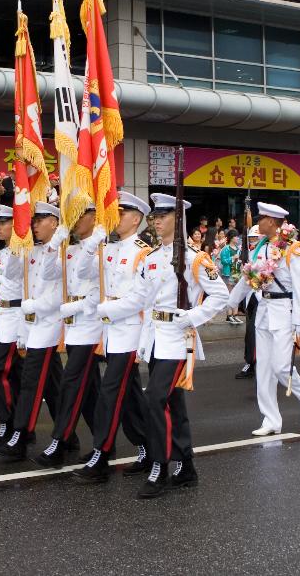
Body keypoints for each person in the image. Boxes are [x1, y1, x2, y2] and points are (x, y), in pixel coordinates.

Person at [126, 192, 229, 498]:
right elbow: (144, 302)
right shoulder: (151, 257)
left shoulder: (196, 258)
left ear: (178, 219)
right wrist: (144, 343)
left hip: (178, 340)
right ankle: (186, 466)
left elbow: (220, 296)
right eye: (154, 217)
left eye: (163, 216)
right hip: (158, 339)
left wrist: (193, 317)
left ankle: (160, 465)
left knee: (155, 399)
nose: (156, 222)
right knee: (172, 403)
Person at [73, 192, 154, 484]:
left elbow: (141, 298)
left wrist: (107, 310)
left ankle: (101, 455)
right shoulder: (109, 248)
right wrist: (95, 238)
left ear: (136, 219)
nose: (116, 218)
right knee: (130, 394)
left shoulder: (144, 251)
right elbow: (83, 272)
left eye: (121, 214)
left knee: (110, 391)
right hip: (111, 331)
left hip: (130, 329)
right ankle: (149, 447)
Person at [227, 202, 300, 438]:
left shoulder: (293, 249)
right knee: (264, 370)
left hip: (285, 311)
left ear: (273, 222)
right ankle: (271, 419)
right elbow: (250, 278)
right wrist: (230, 301)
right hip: (265, 310)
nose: (258, 222)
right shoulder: (261, 248)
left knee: (281, 367)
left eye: (262, 218)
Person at [33, 204, 107, 467]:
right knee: (91, 393)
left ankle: (60, 441)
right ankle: (105, 443)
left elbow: (101, 290)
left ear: (93, 217)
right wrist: (57, 241)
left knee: (71, 384)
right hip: (74, 327)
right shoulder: (70, 249)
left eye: (80, 216)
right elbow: (47, 273)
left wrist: (75, 307)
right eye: (71, 216)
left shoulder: (102, 249)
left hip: (90, 324)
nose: (75, 221)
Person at [0, 203, 67, 460]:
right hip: (32, 325)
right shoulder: (31, 250)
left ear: (55, 223)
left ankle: (20, 435)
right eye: (31, 220)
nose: (34, 224)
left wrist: (55, 245)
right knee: (53, 387)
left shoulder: (62, 252)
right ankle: (68, 436)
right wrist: (18, 237)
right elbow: (16, 277)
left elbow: (57, 292)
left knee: (32, 384)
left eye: (40, 219)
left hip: (49, 325)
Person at [0, 205, 24, 451]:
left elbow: (14, 272)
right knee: (16, 376)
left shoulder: (20, 252)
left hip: (15, 320)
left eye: (4, 223)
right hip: (3, 317)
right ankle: (18, 426)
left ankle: (9, 421)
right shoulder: (8, 251)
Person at [235, 225, 262, 379]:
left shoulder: (266, 252)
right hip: (249, 295)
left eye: (254, 238)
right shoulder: (249, 252)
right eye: (250, 238)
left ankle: (254, 363)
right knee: (249, 333)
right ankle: (251, 362)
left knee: (254, 332)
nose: (252, 241)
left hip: (261, 296)